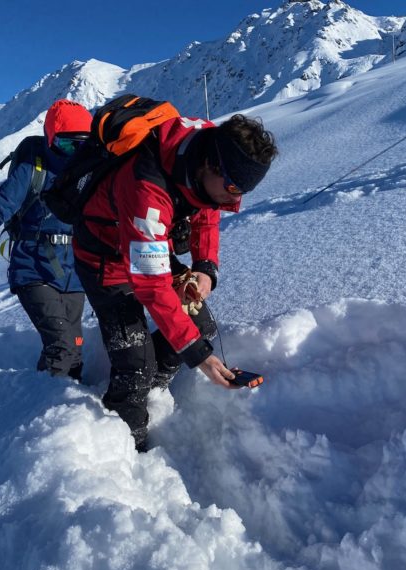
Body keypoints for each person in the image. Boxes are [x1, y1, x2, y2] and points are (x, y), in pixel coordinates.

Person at [73, 112, 277, 451]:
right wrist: (198, 356)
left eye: (242, 191)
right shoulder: (147, 188)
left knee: (202, 328)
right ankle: (128, 442)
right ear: (209, 165)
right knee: (134, 362)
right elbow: (150, 284)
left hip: (148, 246)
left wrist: (204, 267)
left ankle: (152, 390)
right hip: (104, 260)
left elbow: (207, 210)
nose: (233, 200)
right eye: (231, 188)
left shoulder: (209, 148)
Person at [0, 100, 92, 380]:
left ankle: (48, 397)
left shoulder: (88, 172)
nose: (76, 153)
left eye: (84, 145)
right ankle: (52, 408)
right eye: (68, 145)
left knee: (75, 347)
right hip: (33, 268)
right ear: (50, 139)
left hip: (74, 273)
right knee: (62, 347)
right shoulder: (32, 168)